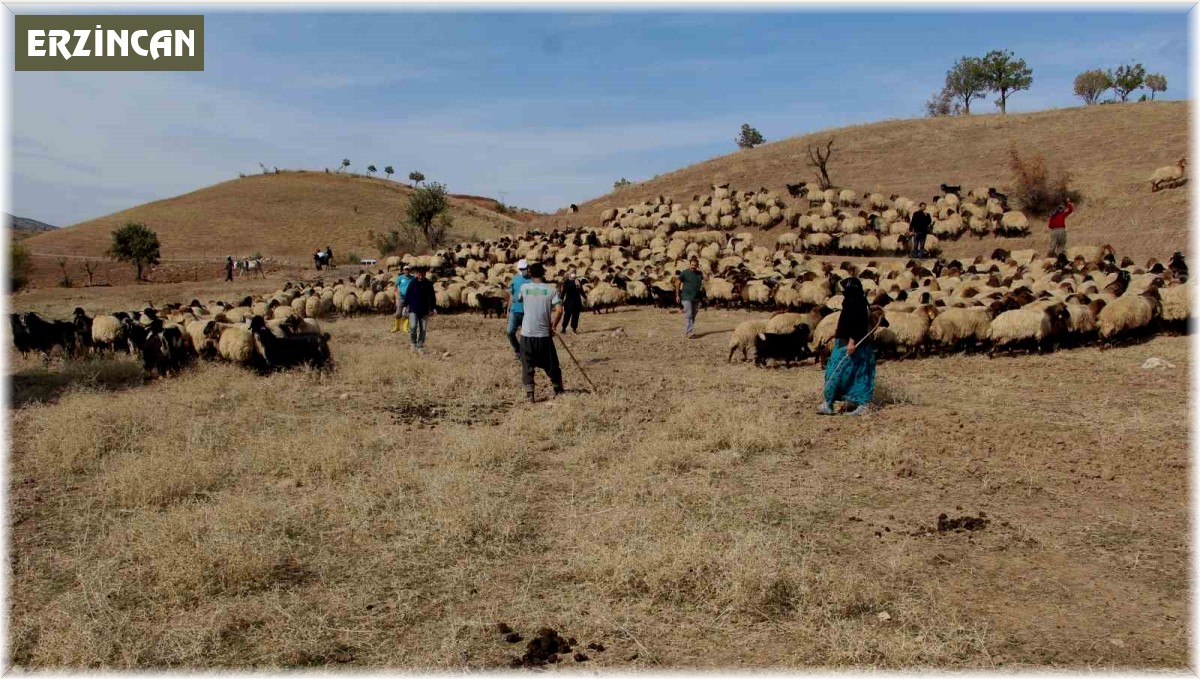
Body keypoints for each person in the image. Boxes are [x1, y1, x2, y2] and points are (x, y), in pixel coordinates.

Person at [820, 277, 876, 417]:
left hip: (854, 345)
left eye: (845, 288)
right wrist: (834, 334)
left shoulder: (856, 302)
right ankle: (829, 403)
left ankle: (862, 404)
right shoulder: (852, 301)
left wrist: (852, 342)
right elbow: (846, 321)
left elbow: (857, 324)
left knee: (852, 373)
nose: (843, 291)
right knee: (837, 371)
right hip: (843, 342)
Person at [516, 262, 564, 403]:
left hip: (527, 334)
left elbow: (518, 299)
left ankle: (530, 394)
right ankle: (558, 390)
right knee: (551, 364)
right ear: (543, 273)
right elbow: (560, 310)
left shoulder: (524, 288)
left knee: (527, 365)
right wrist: (553, 325)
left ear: (530, 273)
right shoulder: (551, 290)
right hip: (544, 334)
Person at [403, 267, 436, 354]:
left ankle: (420, 346)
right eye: (419, 274)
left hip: (424, 310)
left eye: (422, 274)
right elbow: (408, 295)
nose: (420, 276)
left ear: (425, 274)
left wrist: (433, 308)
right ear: (416, 274)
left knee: (423, 329)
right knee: (413, 327)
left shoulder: (428, 284)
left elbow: (432, 297)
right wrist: (404, 306)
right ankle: (413, 343)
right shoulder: (412, 283)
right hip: (413, 309)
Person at [505, 259, 531, 360]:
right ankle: (518, 349)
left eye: (524, 269)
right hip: (515, 310)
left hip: (527, 312)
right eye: (521, 269)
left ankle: (525, 353)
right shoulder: (515, 279)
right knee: (510, 332)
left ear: (527, 268)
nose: (522, 270)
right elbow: (511, 295)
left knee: (526, 335)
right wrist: (508, 310)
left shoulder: (531, 280)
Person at [674, 257, 704, 338]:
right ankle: (690, 332)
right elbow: (678, 283)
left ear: (697, 266)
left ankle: (688, 329)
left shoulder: (699, 273)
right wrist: (677, 295)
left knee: (693, 314)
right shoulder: (684, 273)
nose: (693, 266)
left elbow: (706, 281)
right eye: (692, 265)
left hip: (696, 298)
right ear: (689, 264)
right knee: (689, 314)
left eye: (695, 265)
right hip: (686, 297)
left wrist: (703, 269)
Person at [391, 264, 414, 333]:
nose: (407, 271)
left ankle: (405, 327)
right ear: (403, 270)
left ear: (409, 270)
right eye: (405, 269)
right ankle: (396, 327)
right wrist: (397, 295)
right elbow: (395, 287)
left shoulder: (412, 278)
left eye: (408, 269)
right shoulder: (400, 278)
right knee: (398, 313)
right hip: (401, 298)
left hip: (409, 298)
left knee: (407, 313)